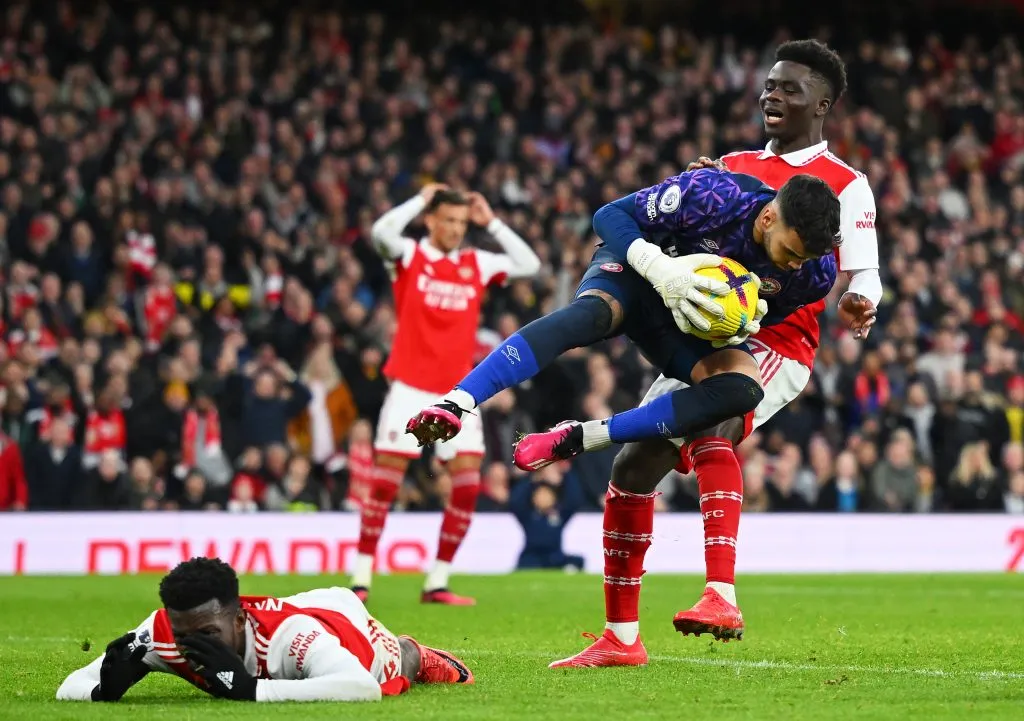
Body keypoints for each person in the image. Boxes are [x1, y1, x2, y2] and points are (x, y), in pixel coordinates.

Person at [546, 39, 883, 669]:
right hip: (707, 340)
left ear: (823, 104)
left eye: (789, 89)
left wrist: (862, 300)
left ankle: (720, 593)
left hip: (777, 345)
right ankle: (619, 639)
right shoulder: (731, 164)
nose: (772, 95)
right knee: (632, 469)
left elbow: (867, 273)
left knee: (711, 424)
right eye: (770, 85)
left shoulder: (847, 185)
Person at [408, 169, 841, 469]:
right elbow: (609, 216)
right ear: (768, 218)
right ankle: (457, 402)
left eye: (805, 259)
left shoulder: (814, 274)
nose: (793, 266)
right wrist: (659, 268)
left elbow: (769, 311)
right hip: (637, 274)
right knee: (589, 316)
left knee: (744, 389)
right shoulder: (715, 195)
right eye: (791, 251)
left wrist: (744, 324)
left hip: (684, 322)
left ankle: (579, 437)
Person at [351, 183, 540, 606]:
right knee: (384, 485)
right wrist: (419, 199)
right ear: (431, 220)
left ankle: (437, 581)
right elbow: (381, 232)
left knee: (468, 486)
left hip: (458, 393)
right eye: (448, 220)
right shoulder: (410, 256)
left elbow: (529, 263)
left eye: (461, 221)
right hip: (408, 387)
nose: (456, 229)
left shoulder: (477, 263)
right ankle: (361, 577)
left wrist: (490, 221)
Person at [56, 557, 473, 703]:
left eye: (206, 633)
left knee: (394, 662)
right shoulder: (164, 632)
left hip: (336, 619)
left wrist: (250, 690)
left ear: (238, 620)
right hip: (299, 605)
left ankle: (415, 650)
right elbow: (68, 686)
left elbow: (360, 687)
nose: (191, 646)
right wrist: (101, 692)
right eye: (184, 635)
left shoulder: (290, 637)